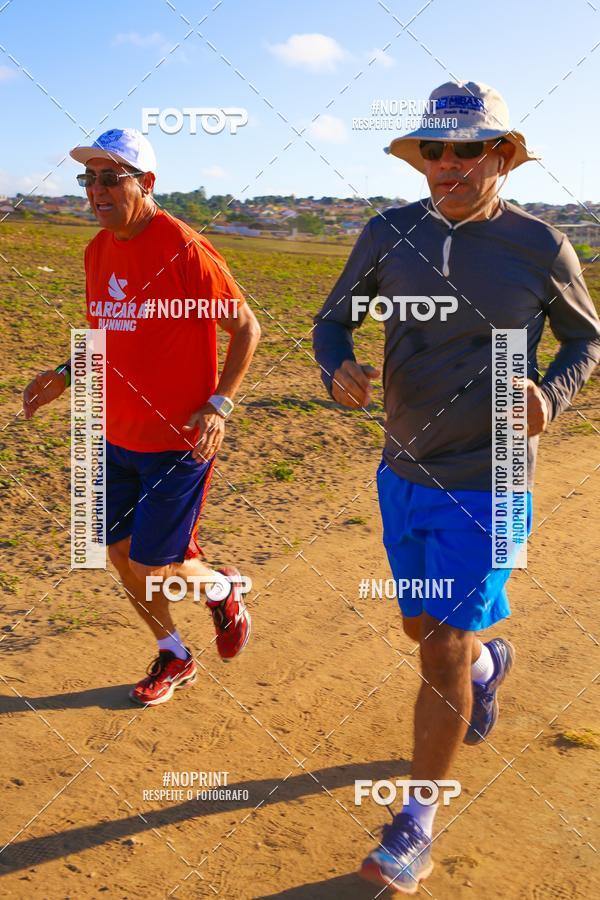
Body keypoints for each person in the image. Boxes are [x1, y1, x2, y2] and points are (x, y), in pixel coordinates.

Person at [313, 81, 600, 892]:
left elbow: (586, 339)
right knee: (422, 630)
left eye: (467, 149)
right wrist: (337, 366)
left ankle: (414, 826)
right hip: (405, 466)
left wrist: (551, 396)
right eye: (434, 149)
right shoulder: (388, 232)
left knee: (438, 644)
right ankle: (485, 667)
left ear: (501, 156)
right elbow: (332, 320)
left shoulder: (541, 246)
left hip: (493, 474)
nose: (447, 163)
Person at [23, 128, 261, 707]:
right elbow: (105, 334)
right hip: (115, 433)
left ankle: (222, 589)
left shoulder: (184, 249)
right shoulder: (97, 250)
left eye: (111, 178)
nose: (96, 191)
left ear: (146, 183)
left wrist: (219, 404)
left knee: (153, 565)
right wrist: (65, 373)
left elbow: (246, 328)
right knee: (119, 552)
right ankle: (174, 653)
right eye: (89, 180)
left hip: (179, 439)